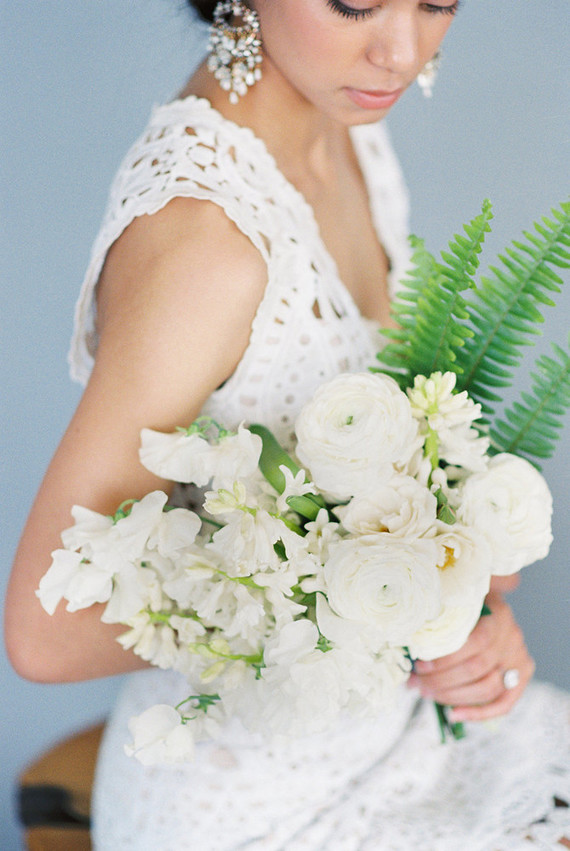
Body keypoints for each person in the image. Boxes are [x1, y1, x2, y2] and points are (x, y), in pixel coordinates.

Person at [5, 1, 569, 847]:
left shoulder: (342, 122)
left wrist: (459, 604)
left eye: (438, 1)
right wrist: (369, 603)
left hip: (394, 733)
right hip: (250, 800)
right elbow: (43, 634)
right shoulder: (209, 242)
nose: (401, 51)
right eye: (353, 3)